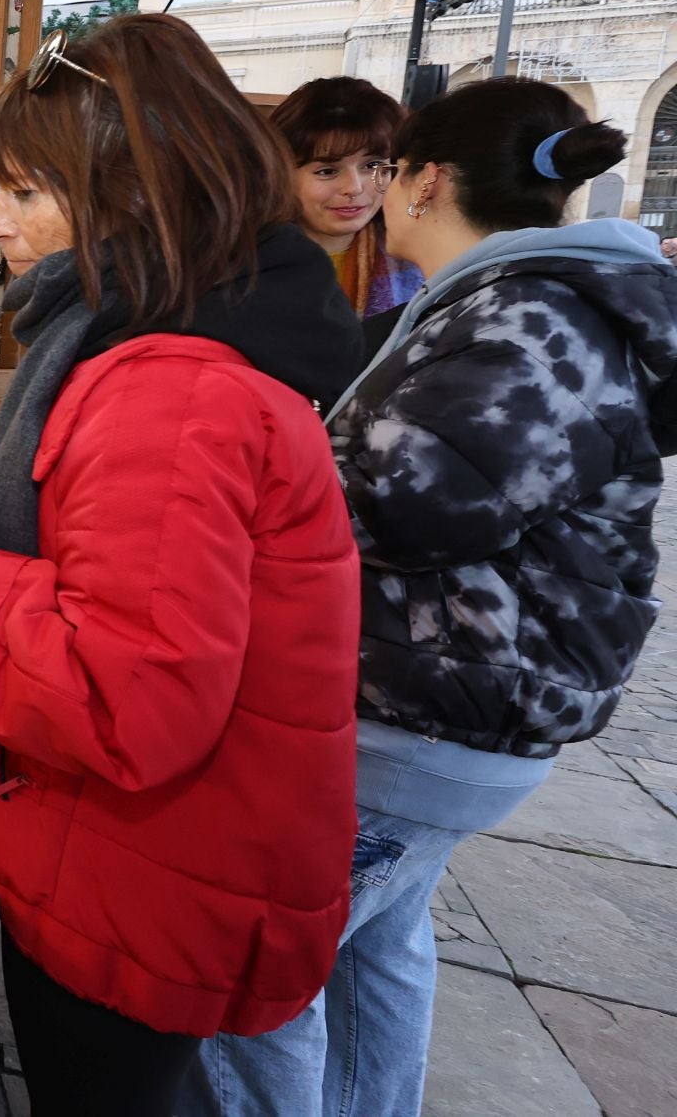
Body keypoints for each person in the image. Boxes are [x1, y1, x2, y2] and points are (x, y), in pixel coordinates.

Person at [0, 14, 366, 1116]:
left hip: (141, 882)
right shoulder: (189, 338)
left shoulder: (170, 385)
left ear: (134, 195)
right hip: (154, 863)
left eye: (26, 191)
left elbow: (127, 692)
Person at [188, 77, 677, 1117]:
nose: (368, 187)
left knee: (255, 966)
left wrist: (233, 468)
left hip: (430, 713)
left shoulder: (523, 313)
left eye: (385, 165)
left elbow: (404, 501)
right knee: (380, 944)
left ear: (428, 179)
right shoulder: (517, 302)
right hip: (454, 703)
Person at [270, 76, 423, 321]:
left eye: (373, 165)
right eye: (327, 171)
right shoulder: (242, 267)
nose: (354, 188)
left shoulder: (419, 259)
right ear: (280, 174)